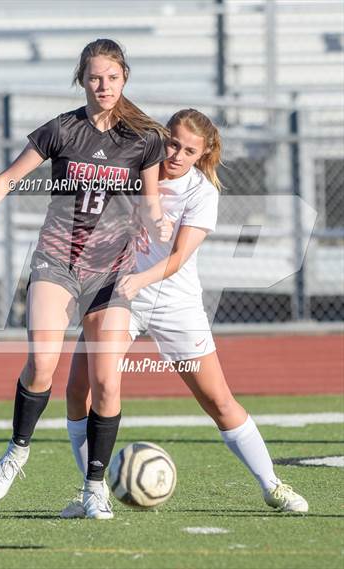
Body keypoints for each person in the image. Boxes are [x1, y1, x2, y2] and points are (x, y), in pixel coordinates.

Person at [0, 38, 173, 519]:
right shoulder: (62, 129)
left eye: (111, 76)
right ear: (81, 79)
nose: (103, 85)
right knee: (43, 363)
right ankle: (18, 448)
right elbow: (8, 179)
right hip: (58, 261)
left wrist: (158, 224)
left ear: (124, 76)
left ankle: (95, 488)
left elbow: (151, 202)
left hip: (111, 270)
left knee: (107, 383)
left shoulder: (145, 137)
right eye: (94, 77)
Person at [61, 108, 309, 519]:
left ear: (203, 154)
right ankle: (94, 491)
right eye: (173, 143)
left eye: (189, 150)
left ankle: (273, 485)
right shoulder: (136, 167)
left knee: (218, 400)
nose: (177, 154)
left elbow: (177, 258)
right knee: (77, 389)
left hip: (173, 302)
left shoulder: (202, 192)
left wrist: (138, 281)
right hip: (115, 296)